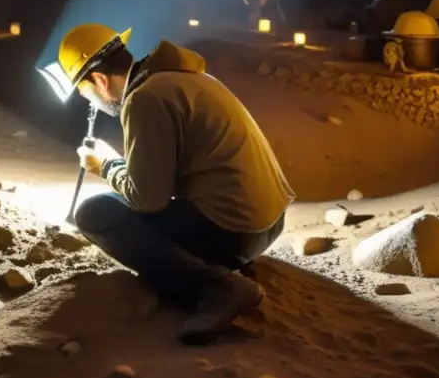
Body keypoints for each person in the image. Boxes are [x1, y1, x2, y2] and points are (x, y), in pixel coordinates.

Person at [54, 23, 295, 345]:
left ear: (98, 80)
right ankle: (224, 267)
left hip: (235, 233)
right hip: (269, 222)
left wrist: (105, 166)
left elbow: (147, 200)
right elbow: (167, 175)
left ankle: (216, 288)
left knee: (95, 212)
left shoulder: (144, 98)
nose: (92, 104)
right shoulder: (183, 79)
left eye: (86, 96)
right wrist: (121, 165)